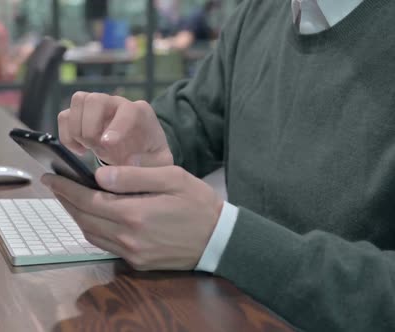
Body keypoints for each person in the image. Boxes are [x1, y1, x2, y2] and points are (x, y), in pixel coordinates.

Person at [41, 0, 395, 331]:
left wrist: (224, 239)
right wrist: (126, 141)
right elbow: (194, 114)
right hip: (227, 309)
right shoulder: (258, 14)